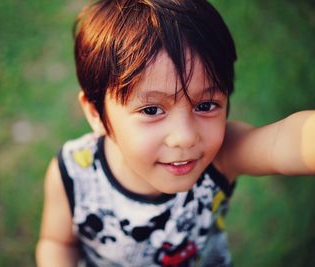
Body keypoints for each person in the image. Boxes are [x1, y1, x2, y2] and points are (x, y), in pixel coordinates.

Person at [35, 0, 315, 266]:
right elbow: (57, 243)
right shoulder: (73, 173)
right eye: (152, 110)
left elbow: (286, 140)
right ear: (96, 113)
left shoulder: (222, 156)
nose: (185, 137)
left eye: (206, 105)